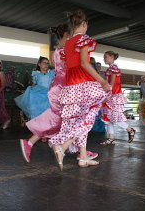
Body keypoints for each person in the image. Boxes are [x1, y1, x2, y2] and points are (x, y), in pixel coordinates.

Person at [20, 23, 98, 162]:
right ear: (67, 36)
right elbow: (75, 68)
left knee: (68, 120)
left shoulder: (58, 51)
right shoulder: (65, 51)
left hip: (60, 86)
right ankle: (32, 142)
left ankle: (82, 152)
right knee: (69, 119)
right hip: (64, 87)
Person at [48, 9, 111, 171]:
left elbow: (66, 65)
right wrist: (102, 80)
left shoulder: (68, 42)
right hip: (84, 83)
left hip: (71, 85)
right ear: (84, 24)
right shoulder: (84, 39)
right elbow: (84, 63)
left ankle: (83, 157)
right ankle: (63, 145)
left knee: (79, 119)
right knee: (87, 119)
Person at [100, 51, 136, 145]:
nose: (104, 59)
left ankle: (130, 130)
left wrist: (106, 94)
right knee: (108, 118)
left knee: (116, 117)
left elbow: (112, 83)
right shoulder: (110, 68)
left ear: (112, 57)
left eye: (106, 57)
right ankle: (111, 138)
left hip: (114, 95)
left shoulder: (114, 68)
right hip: (111, 94)